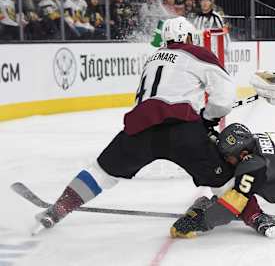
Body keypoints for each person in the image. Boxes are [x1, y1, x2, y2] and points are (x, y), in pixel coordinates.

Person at [33, 16, 237, 234]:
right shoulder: (198, 53)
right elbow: (224, 99)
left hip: (140, 128)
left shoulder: (153, 58)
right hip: (182, 130)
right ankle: (254, 215)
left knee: (101, 172)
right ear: (187, 36)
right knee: (223, 180)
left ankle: (58, 209)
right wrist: (208, 118)